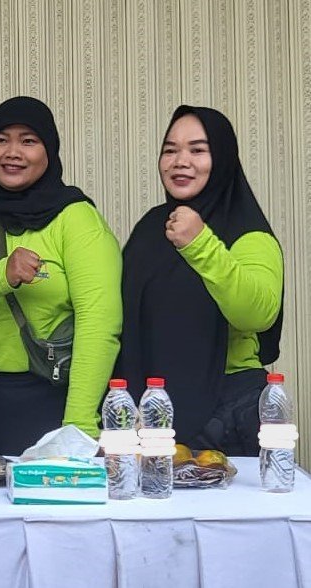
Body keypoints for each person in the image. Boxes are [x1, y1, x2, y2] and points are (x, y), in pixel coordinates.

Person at [0, 97, 121, 455]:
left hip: (65, 395)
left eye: (28, 141)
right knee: (1, 489)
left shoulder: (75, 217)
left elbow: (100, 324)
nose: (12, 152)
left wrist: (78, 426)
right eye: (1, 140)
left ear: (49, 151)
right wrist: (3, 274)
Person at [120, 106, 283, 455]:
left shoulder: (249, 233)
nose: (180, 161)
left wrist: (200, 243)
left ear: (222, 158)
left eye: (197, 150)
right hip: (154, 408)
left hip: (228, 409)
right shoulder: (152, 227)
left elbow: (257, 314)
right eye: (170, 150)